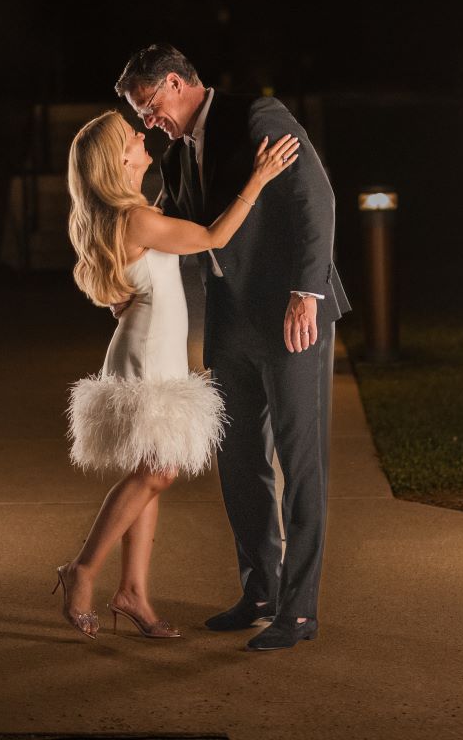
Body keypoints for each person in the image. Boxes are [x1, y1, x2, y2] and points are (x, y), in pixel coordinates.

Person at [116, 44, 350, 652]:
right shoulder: (173, 154)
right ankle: (260, 591)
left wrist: (308, 291)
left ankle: (298, 611)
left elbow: (315, 199)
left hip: (291, 317)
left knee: (300, 464)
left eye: (148, 105)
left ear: (174, 82)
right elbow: (182, 229)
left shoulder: (258, 118)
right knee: (238, 458)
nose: (148, 121)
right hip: (228, 322)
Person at [54, 109, 301, 640]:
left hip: (150, 347)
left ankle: (133, 592)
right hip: (148, 355)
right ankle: (83, 570)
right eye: (131, 137)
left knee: (152, 472)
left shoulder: (131, 214)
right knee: (159, 472)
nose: (142, 136)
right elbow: (213, 236)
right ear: (117, 161)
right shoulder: (137, 220)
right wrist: (257, 179)